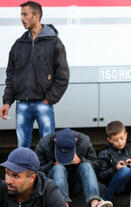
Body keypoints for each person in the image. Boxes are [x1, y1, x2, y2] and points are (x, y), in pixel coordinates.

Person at [0, 1, 70, 148]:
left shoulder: (54, 43)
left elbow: (63, 75)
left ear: (36, 16)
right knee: (22, 147)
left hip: (43, 103)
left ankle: (46, 172)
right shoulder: (18, 44)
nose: (22, 18)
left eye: (25, 14)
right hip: (22, 104)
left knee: (48, 146)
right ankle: (24, 172)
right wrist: (7, 101)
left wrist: (49, 99)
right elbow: (11, 75)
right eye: (21, 14)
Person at [35, 128, 113, 207]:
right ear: (55, 140)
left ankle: (95, 202)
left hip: (76, 183)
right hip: (54, 184)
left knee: (86, 165)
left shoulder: (84, 141)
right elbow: (36, 171)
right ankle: (62, 204)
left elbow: (97, 165)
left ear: (76, 141)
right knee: (58, 168)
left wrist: (80, 160)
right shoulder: (45, 143)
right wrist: (52, 164)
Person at [98, 121, 131, 203]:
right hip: (116, 185)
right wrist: (115, 169)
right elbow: (101, 176)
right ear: (110, 140)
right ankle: (105, 199)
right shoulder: (105, 152)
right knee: (125, 171)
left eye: (121, 138)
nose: (120, 142)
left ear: (126, 135)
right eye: (115, 140)